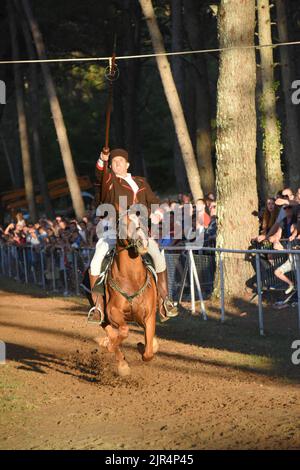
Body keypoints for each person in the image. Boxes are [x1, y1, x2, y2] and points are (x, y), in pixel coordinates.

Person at [89, 147, 178, 322]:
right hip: (116, 232)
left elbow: (154, 202)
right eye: (113, 162)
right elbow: (99, 175)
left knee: (158, 257)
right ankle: (98, 307)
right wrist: (102, 160)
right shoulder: (110, 182)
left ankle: (165, 300)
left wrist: (157, 213)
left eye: (120, 161)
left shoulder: (141, 182)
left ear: (127, 164)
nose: (117, 164)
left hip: (140, 231)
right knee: (96, 261)